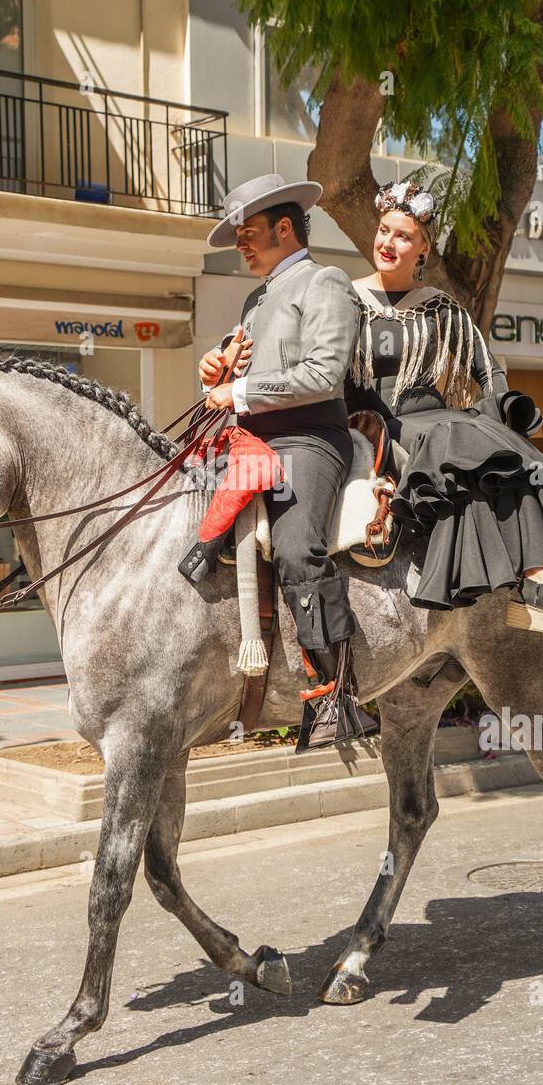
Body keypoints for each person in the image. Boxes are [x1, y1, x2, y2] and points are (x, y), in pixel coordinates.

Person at [343, 179, 543, 636]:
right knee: (461, 436)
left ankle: (542, 579)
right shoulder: (345, 299)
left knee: (494, 443)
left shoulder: (441, 308)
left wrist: (501, 417)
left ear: (423, 249)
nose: (387, 242)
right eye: (384, 230)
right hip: (377, 425)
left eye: (402, 235)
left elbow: (488, 372)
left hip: (436, 418)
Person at [199, 172, 378, 749]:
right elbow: (244, 365)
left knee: (299, 549)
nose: (242, 246)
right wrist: (219, 365)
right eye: (238, 238)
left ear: (284, 227)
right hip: (248, 441)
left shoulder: (326, 282)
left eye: (248, 234)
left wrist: (241, 393)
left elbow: (323, 375)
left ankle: (336, 694)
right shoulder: (256, 300)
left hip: (307, 441)